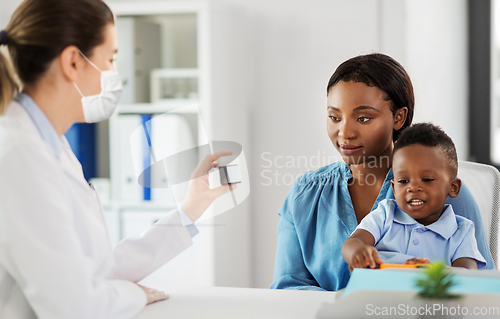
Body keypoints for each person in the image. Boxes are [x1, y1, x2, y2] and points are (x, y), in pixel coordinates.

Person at [0, 0, 233, 318]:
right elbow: (75, 305)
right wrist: (132, 294)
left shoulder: (51, 146)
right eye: (110, 59)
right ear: (73, 62)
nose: (113, 75)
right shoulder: (18, 155)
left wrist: (191, 207)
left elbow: (96, 269)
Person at [270, 53, 495, 292]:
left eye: (364, 118)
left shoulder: (442, 193)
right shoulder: (305, 193)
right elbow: (288, 287)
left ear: (399, 117)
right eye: (334, 117)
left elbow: (479, 288)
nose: (345, 132)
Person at [341, 123, 486, 271]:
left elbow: (468, 276)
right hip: (380, 292)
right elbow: (352, 242)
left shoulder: (461, 231)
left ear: (453, 188)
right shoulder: (385, 215)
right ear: (394, 188)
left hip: (431, 293)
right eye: (403, 181)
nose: (413, 188)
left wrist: (428, 270)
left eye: (427, 179)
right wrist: (357, 251)